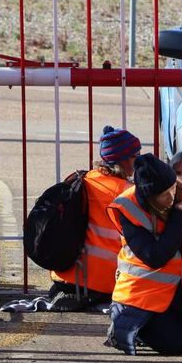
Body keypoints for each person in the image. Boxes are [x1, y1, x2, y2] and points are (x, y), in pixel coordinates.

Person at [48, 125, 142, 312]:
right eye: (135, 156)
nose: (139, 160)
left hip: (64, 275)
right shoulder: (126, 192)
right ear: (122, 160)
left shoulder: (84, 180)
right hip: (101, 281)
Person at [105, 154, 182, 355]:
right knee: (174, 344)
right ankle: (127, 327)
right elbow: (155, 257)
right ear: (149, 196)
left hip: (172, 293)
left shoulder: (179, 190)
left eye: (172, 189)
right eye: (164, 194)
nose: (171, 197)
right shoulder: (128, 209)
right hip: (139, 298)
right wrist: (179, 219)